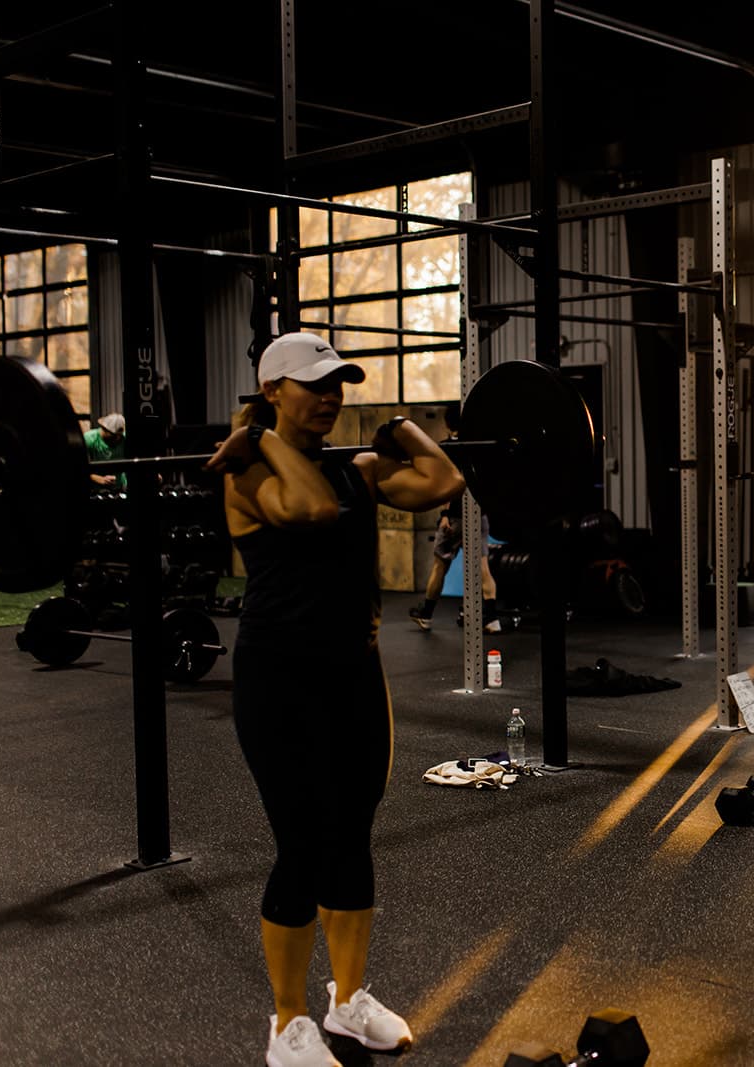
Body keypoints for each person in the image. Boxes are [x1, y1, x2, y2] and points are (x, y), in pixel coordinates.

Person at [206, 332, 461, 1067]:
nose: (330, 397)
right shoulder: (247, 472)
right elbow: (313, 507)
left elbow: (445, 481)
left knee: (352, 833)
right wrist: (252, 435)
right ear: (273, 390)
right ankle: (288, 1022)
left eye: (338, 384)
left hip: (355, 676)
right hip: (279, 682)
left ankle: (347, 1001)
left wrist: (400, 430)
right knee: (302, 844)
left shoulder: (357, 469)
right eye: (314, 384)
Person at [409, 400, 499, 633]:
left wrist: (446, 515)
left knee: (440, 565)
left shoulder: (445, 449)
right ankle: (491, 619)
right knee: (483, 567)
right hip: (479, 514)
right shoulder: (478, 446)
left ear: (447, 424)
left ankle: (426, 614)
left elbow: (447, 484)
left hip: (456, 517)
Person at [84, 413, 126, 487]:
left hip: (120, 487)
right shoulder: (89, 439)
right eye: (114, 435)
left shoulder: (124, 439)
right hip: (95, 488)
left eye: (119, 435)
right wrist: (95, 478)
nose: (118, 438)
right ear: (104, 429)